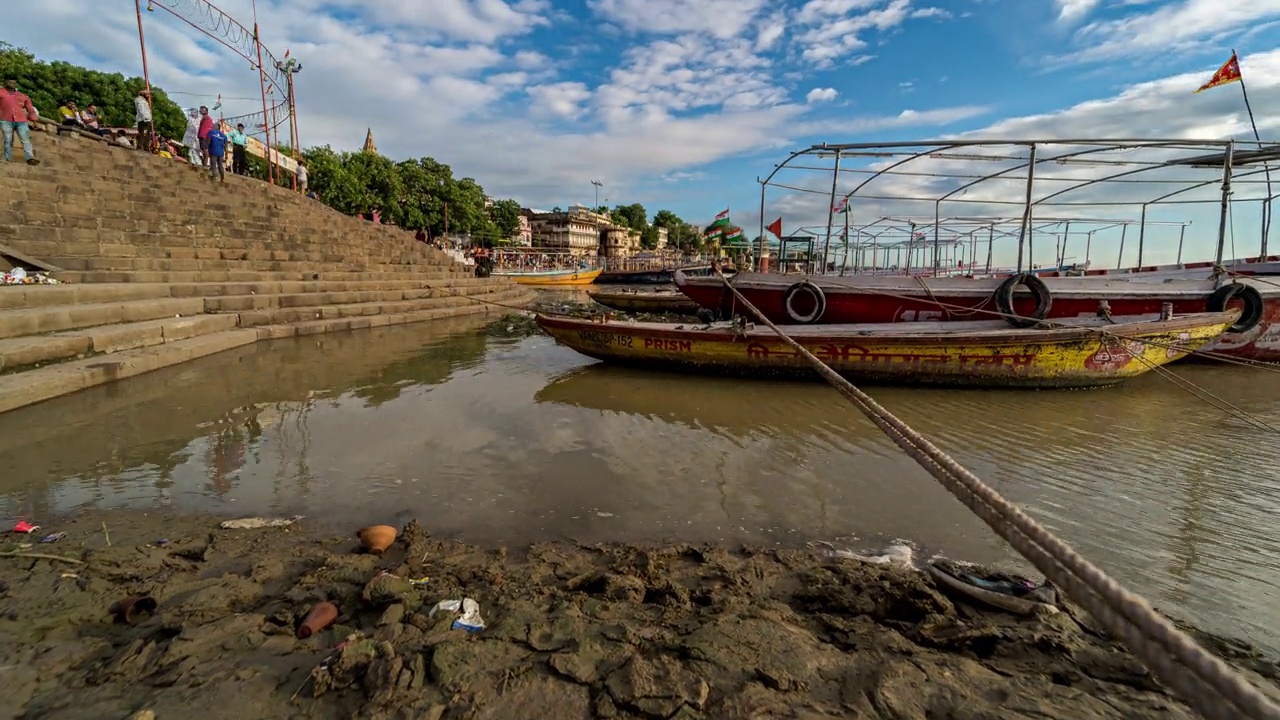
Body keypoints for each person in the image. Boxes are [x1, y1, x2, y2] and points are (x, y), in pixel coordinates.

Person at [0, 79, 39, 165]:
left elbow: (30, 108)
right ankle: (8, 158)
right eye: (9, 82)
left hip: (21, 120)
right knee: (8, 139)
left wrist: (34, 120)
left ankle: (30, 158)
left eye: (13, 82)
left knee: (25, 139)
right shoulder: (1, 92)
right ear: (5, 83)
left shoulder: (22, 96)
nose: (12, 84)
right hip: (5, 119)